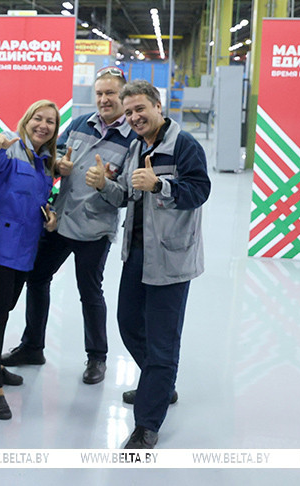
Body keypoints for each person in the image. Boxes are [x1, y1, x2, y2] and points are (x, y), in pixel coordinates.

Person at [87, 80, 211, 449]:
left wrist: (160, 185)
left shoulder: (184, 145)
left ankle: (147, 422)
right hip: (137, 253)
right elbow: (127, 193)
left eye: (140, 109)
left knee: (162, 341)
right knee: (128, 324)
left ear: (158, 105)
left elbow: (199, 191)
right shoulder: (137, 146)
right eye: (128, 113)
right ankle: (161, 384)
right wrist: (102, 185)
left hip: (171, 257)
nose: (135, 117)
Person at [1, 67, 136, 385]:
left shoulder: (132, 141)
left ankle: (97, 358)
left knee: (90, 292)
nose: (104, 99)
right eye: (99, 93)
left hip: (95, 229)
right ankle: (33, 346)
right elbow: (53, 154)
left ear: (124, 96)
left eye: (111, 93)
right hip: (60, 222)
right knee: (37, 278)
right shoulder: (79, 124)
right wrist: (57, 163)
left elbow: (127, 196)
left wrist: (105, 184)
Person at [0, 100, 60, 420]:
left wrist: (49, 217)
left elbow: (38, 200)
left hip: (23, 250)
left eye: (50, 121)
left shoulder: (44, 162)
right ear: (27, 119)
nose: (43, 125)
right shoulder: (9, 146)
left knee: (5, 309)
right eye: (38, 118)